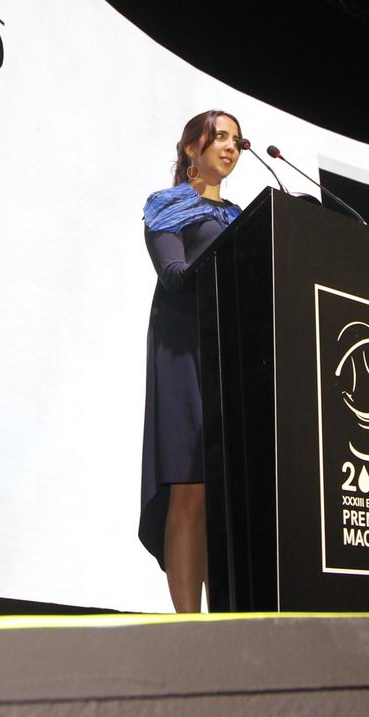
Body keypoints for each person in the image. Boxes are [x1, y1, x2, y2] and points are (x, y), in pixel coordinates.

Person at [139, 109, 244, 612]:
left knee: (222, 494)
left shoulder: (243, 217)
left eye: (236, 141)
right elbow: (174, 274)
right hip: (182, 349)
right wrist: (231, 248)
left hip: (230, 355)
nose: (230, 146)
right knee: (190, 485)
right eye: (219, 136)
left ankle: (225, 620)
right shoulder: (169, 205)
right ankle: (188, 627)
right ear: (190, 150)